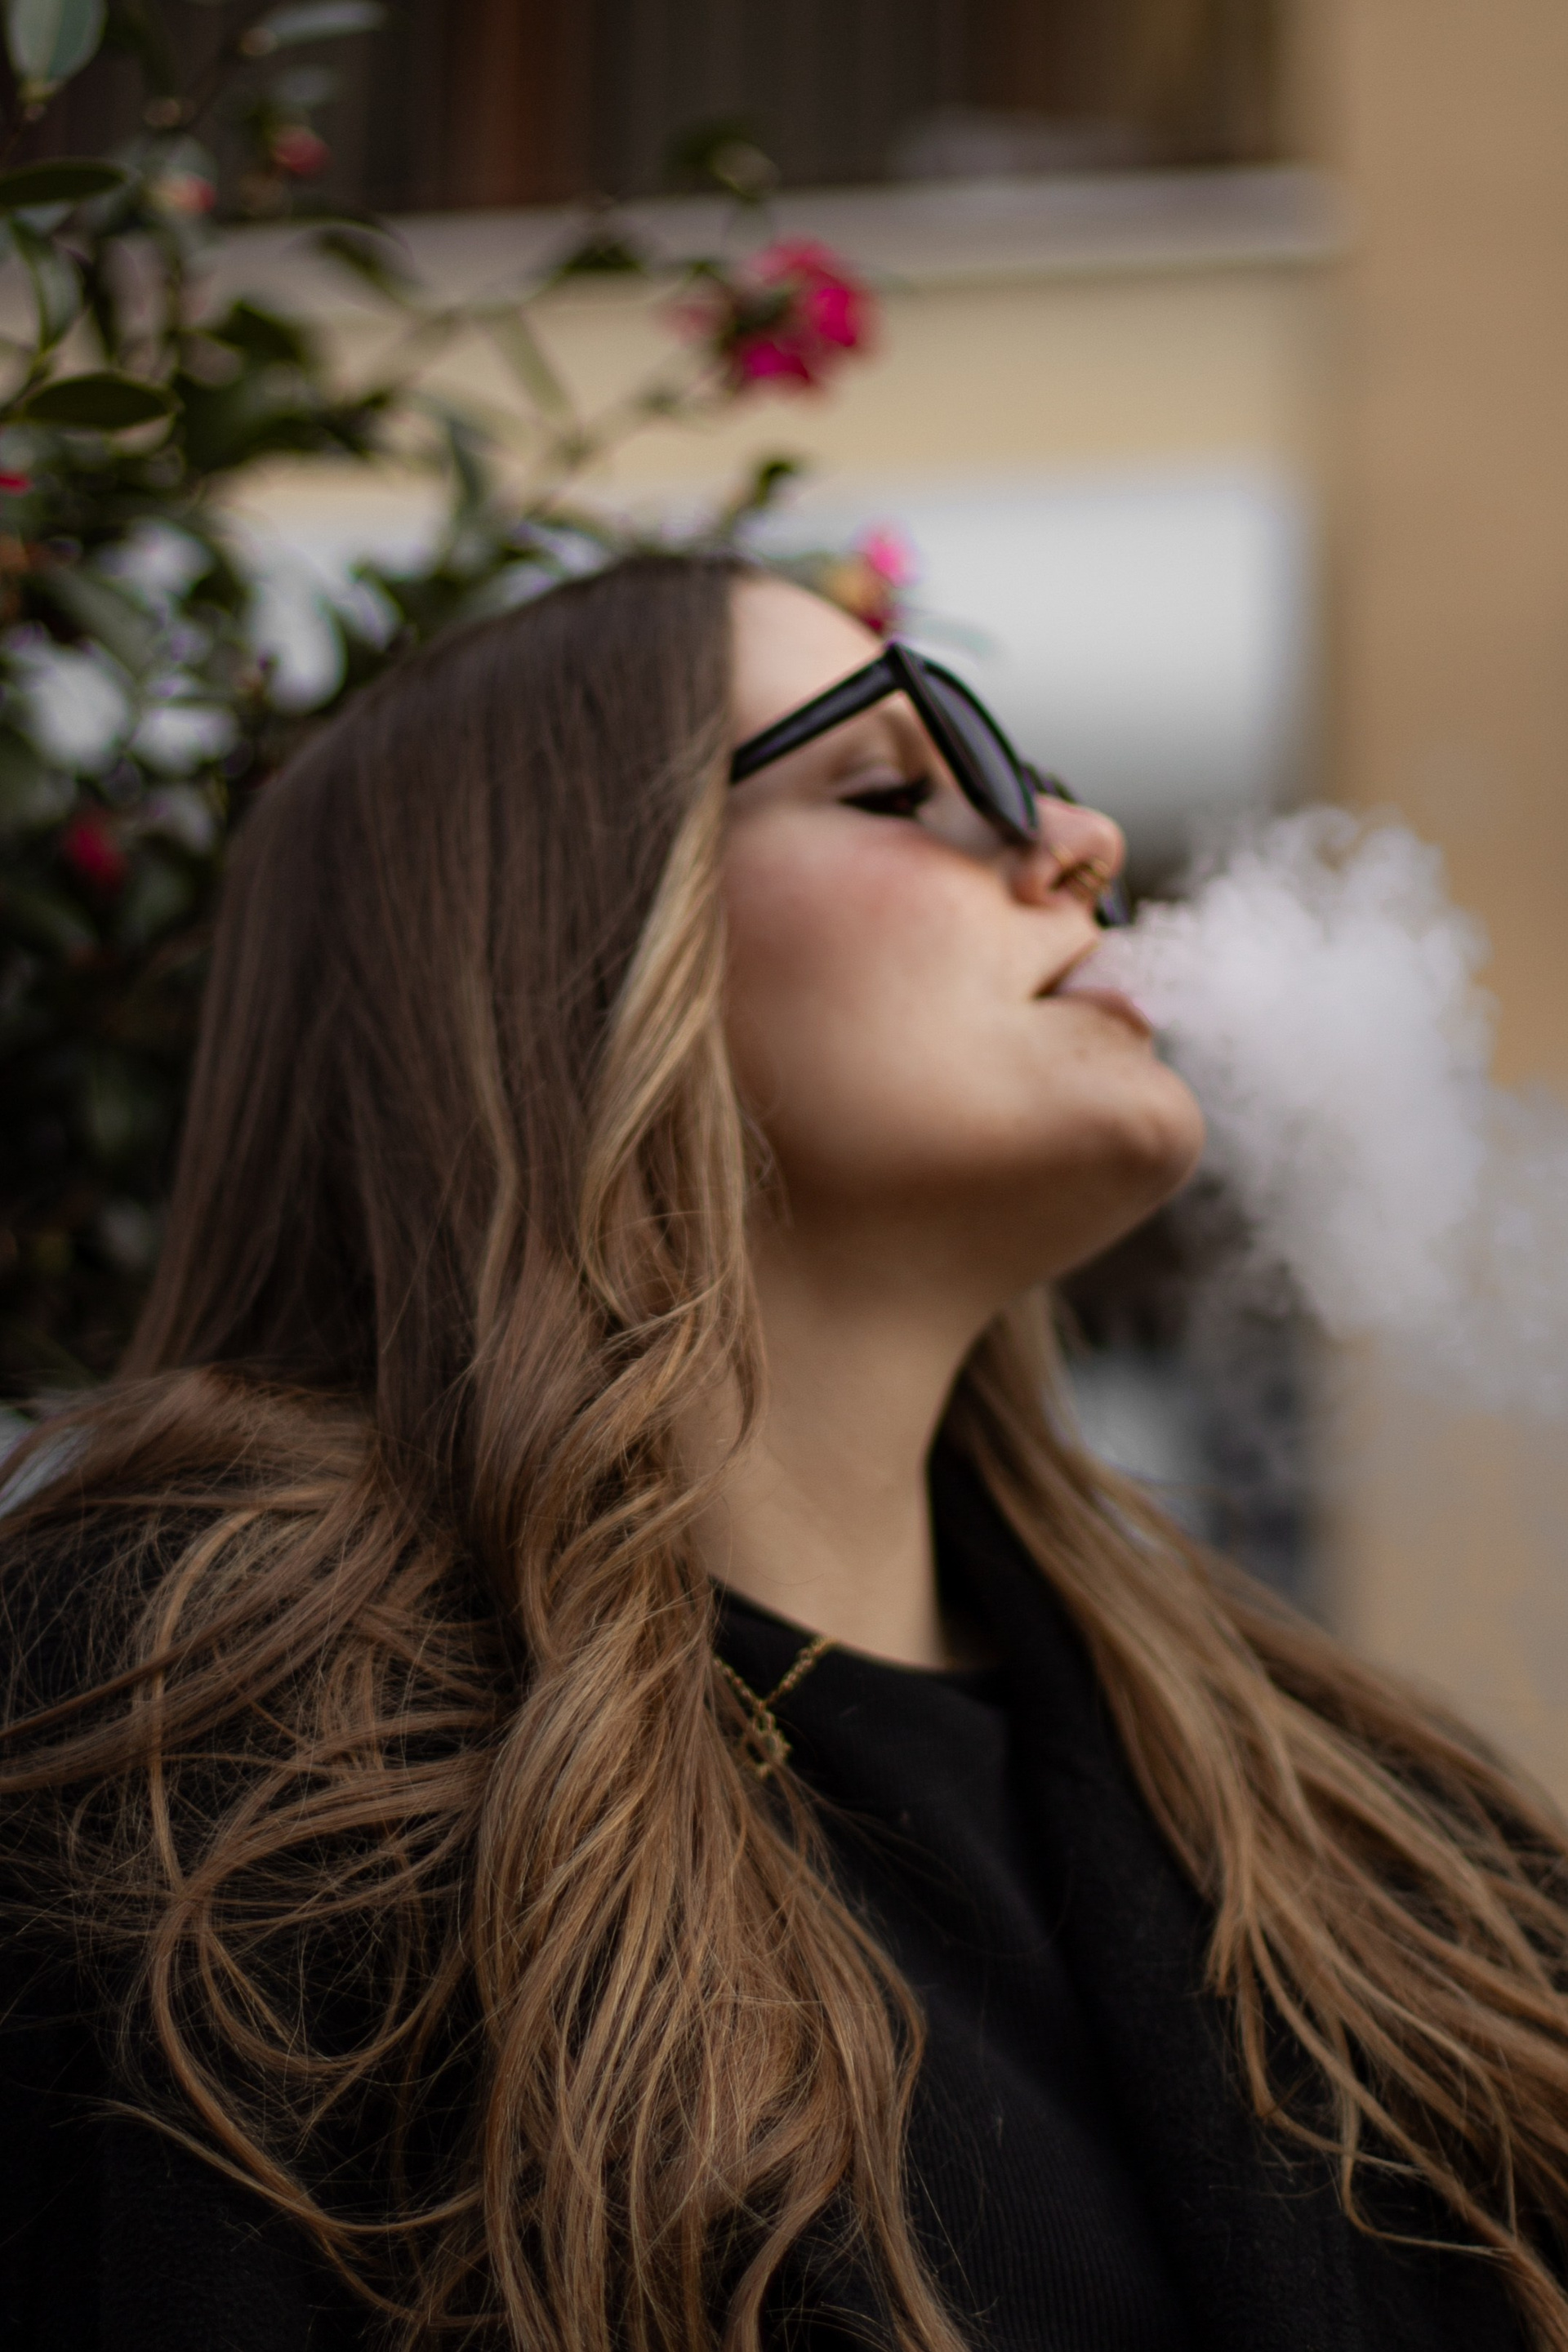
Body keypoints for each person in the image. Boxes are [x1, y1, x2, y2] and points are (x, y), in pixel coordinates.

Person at [1, 552, 1565, 2352]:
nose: (1082, 841)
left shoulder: (1395, 1835)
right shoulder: (180, 1735)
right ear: (566, 953)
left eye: (1037, 782)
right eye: (893, 788)